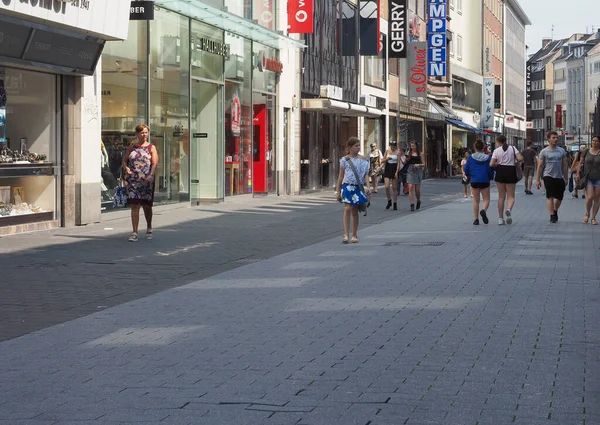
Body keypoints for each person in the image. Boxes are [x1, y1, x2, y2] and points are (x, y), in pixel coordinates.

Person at [123, 124, 158, 242]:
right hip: (133, 180)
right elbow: (124, 160)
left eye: (146, 132)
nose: (144, 135)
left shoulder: (151, 147)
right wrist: (126, 168)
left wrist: (151, 175)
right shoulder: (132, 147)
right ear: (137, 134)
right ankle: (134, 232)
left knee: (147, 206)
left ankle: (149, 227)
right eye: (142, 132)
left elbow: (154, 163)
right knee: (134, 205)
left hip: (147, 180)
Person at [335, 137, 371, 244]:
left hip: (357, 187)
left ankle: (354, 235)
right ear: (350, 147)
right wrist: (338, 190)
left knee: (355, 211)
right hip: (347, 186)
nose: (358, 148)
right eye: (356, 146)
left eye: (359, 145)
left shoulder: (363, 160)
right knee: (347, 209)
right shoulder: (344, 160)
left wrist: (368, 187)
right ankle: (346, 234)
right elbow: (340, 176)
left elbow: (366, 175)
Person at [536, 131, 568, 223]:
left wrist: (565, 177)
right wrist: (538, 179)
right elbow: (540, 166)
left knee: (559, 197)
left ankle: (555, 210)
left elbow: (565, 164)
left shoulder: (561, 151)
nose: (555, 139)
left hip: (559, 176)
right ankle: (552, 215)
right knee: (550, 196)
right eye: (553, 138)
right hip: (548, 175)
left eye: (556, 137)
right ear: (548, 139)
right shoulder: (544, 151)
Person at [490, 135, 523, 225]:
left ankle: (500, 219)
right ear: (506, 140)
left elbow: (491, 164)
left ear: (498, 142)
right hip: (510, 171)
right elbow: (520, 158)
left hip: (500, 171)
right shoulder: (513, 148)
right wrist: (515, 161)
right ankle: (508, 209)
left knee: (501, 196)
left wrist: (498, 163)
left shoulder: (496, 150)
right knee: (511, 196)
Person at [464, 139, 494, 225]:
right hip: (485, 180)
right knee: (486, 199)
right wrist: (490, 177)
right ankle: (483, 210)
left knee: (476, 201)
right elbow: (490, 169)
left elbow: (466, 169)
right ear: (483, 147)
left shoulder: (470, 158)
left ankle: (476, 219)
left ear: (475, 147)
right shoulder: (488, 158)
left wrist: (470, 175)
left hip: (475, 181)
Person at [577, 135, 600, 224]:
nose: (594, 142)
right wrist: (578, 173)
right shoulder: (586, 151)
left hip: (598, 178)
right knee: (590, 197)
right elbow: (580, 163)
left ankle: (594, 218)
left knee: (597, 199)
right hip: (588, 177)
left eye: (597, 141)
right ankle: (587, 213)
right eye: (593, 140)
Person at [405, 141, 425, 211]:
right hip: (410, 170)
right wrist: (406, 159)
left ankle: (418, 200)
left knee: (417, 189)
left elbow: (424, 164)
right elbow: (405, 162)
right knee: (410, 187)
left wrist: (418, 165)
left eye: (413, 146)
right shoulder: (409, 153)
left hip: (417, 170)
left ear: (416, 146)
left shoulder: (420, 154)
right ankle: (412, 204)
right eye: (411, 146)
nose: (412, 147)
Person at [381, 141, 400, 210]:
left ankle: (395, 203)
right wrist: (387, 159)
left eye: (394, 146)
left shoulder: (398, 152)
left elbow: (398, 163)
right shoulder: (387, 151)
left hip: (394, 168)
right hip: (388, 168)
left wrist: (396, 172)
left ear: (396, 146)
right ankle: (389, 200)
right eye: (391, 146)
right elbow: (382, 160)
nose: (392, 147)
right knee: (386, 186)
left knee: (394, 188)